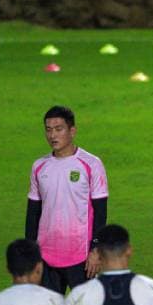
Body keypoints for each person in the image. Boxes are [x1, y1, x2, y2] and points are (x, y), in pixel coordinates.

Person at [26, 105, 109, 294]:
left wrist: (96, 249)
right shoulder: (39, 166)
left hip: (81, 257)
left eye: (58, 129)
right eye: (48, 130)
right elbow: (32, 214)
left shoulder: (91, 164)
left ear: (72, 131)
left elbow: (100, 211)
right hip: (45, 257)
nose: (52, 135)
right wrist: (30, 255)